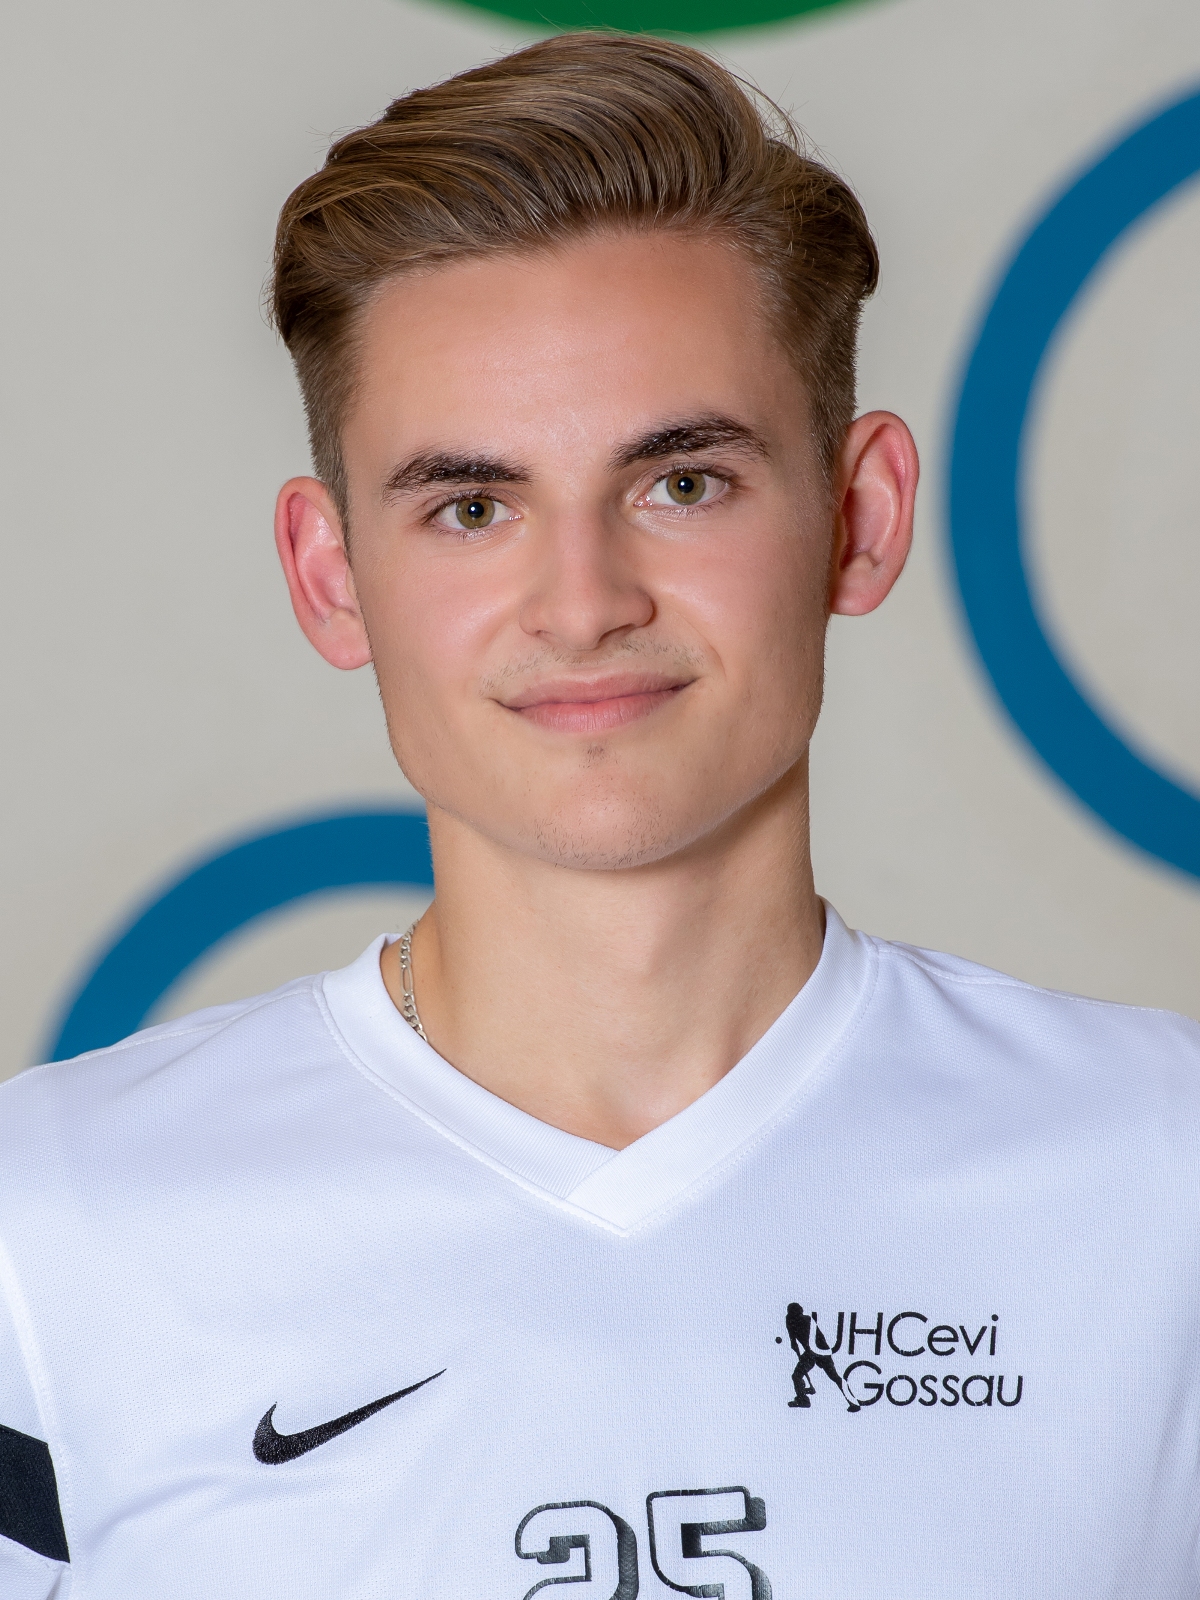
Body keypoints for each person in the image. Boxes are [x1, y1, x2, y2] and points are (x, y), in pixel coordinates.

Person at [1, 31, 1198, 1600]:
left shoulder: (1163, 1174)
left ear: (862, 516)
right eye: (472, 507)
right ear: (330, 576)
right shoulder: (44, 1231)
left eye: (680, 483)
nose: (583, 604)